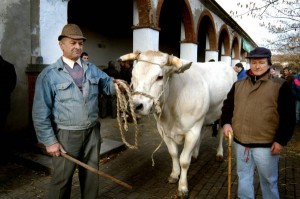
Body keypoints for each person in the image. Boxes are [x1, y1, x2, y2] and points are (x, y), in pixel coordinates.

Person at [32, 24, 124, 199]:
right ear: (62, 45)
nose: (78, 47)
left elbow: (106, 85)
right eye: (73, 42)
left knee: (91, 178)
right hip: (66, 135)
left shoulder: (91, 68)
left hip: (92, 133)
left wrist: (116, 86)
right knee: (61, 180)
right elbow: (40, 112)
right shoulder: (49, 74)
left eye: (80, 43)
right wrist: (49, 141)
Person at [221, 47, 295, 199]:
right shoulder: (239, 85)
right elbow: (227, 107)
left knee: (268, 181)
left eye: (261, 62)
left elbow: (288, 117)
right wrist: (226, 123)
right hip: (241, 144)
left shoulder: (280, 85)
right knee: (243, 178)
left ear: (268, 63)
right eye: (254, 62)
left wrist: (281, 140)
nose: (257, 66)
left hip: (266, 145)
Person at [0, 55, 17, 157]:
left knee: (1, 127)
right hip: (3, 102)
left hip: (2, 103)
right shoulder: (8, 66)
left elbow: (11, 85)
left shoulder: (8, 67)